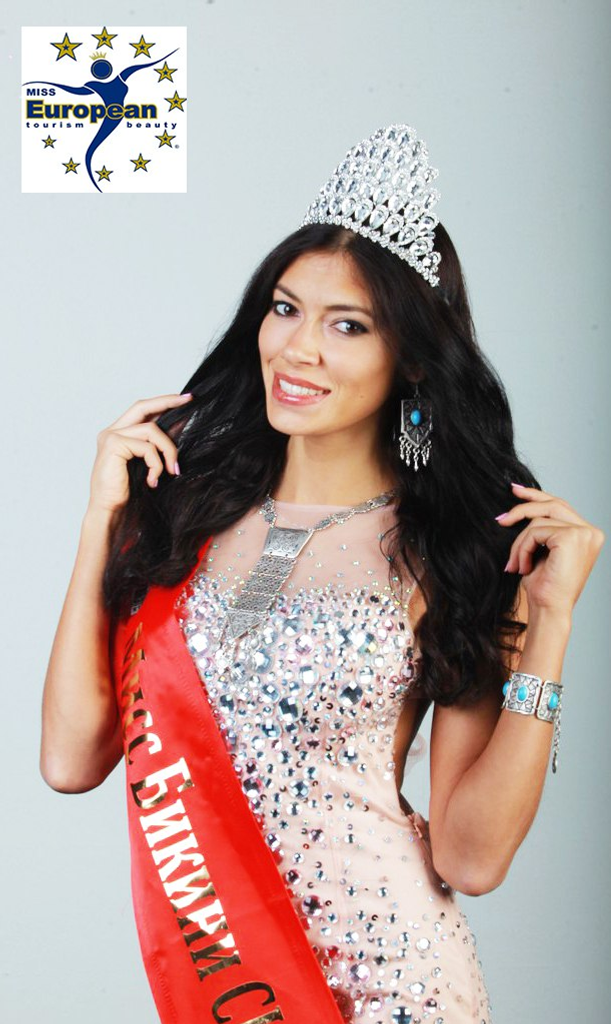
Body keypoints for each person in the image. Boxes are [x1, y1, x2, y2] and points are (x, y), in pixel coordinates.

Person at [41, 124, 604, 1024]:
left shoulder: (451, 549)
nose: (298, 348)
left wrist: (552, 627)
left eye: (347, 325)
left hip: (397, 988)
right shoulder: (181, 518)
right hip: (225, 976)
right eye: (285, 308)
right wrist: (98, 524)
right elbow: (71, 761)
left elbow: (470, 860)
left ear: (409, 358)